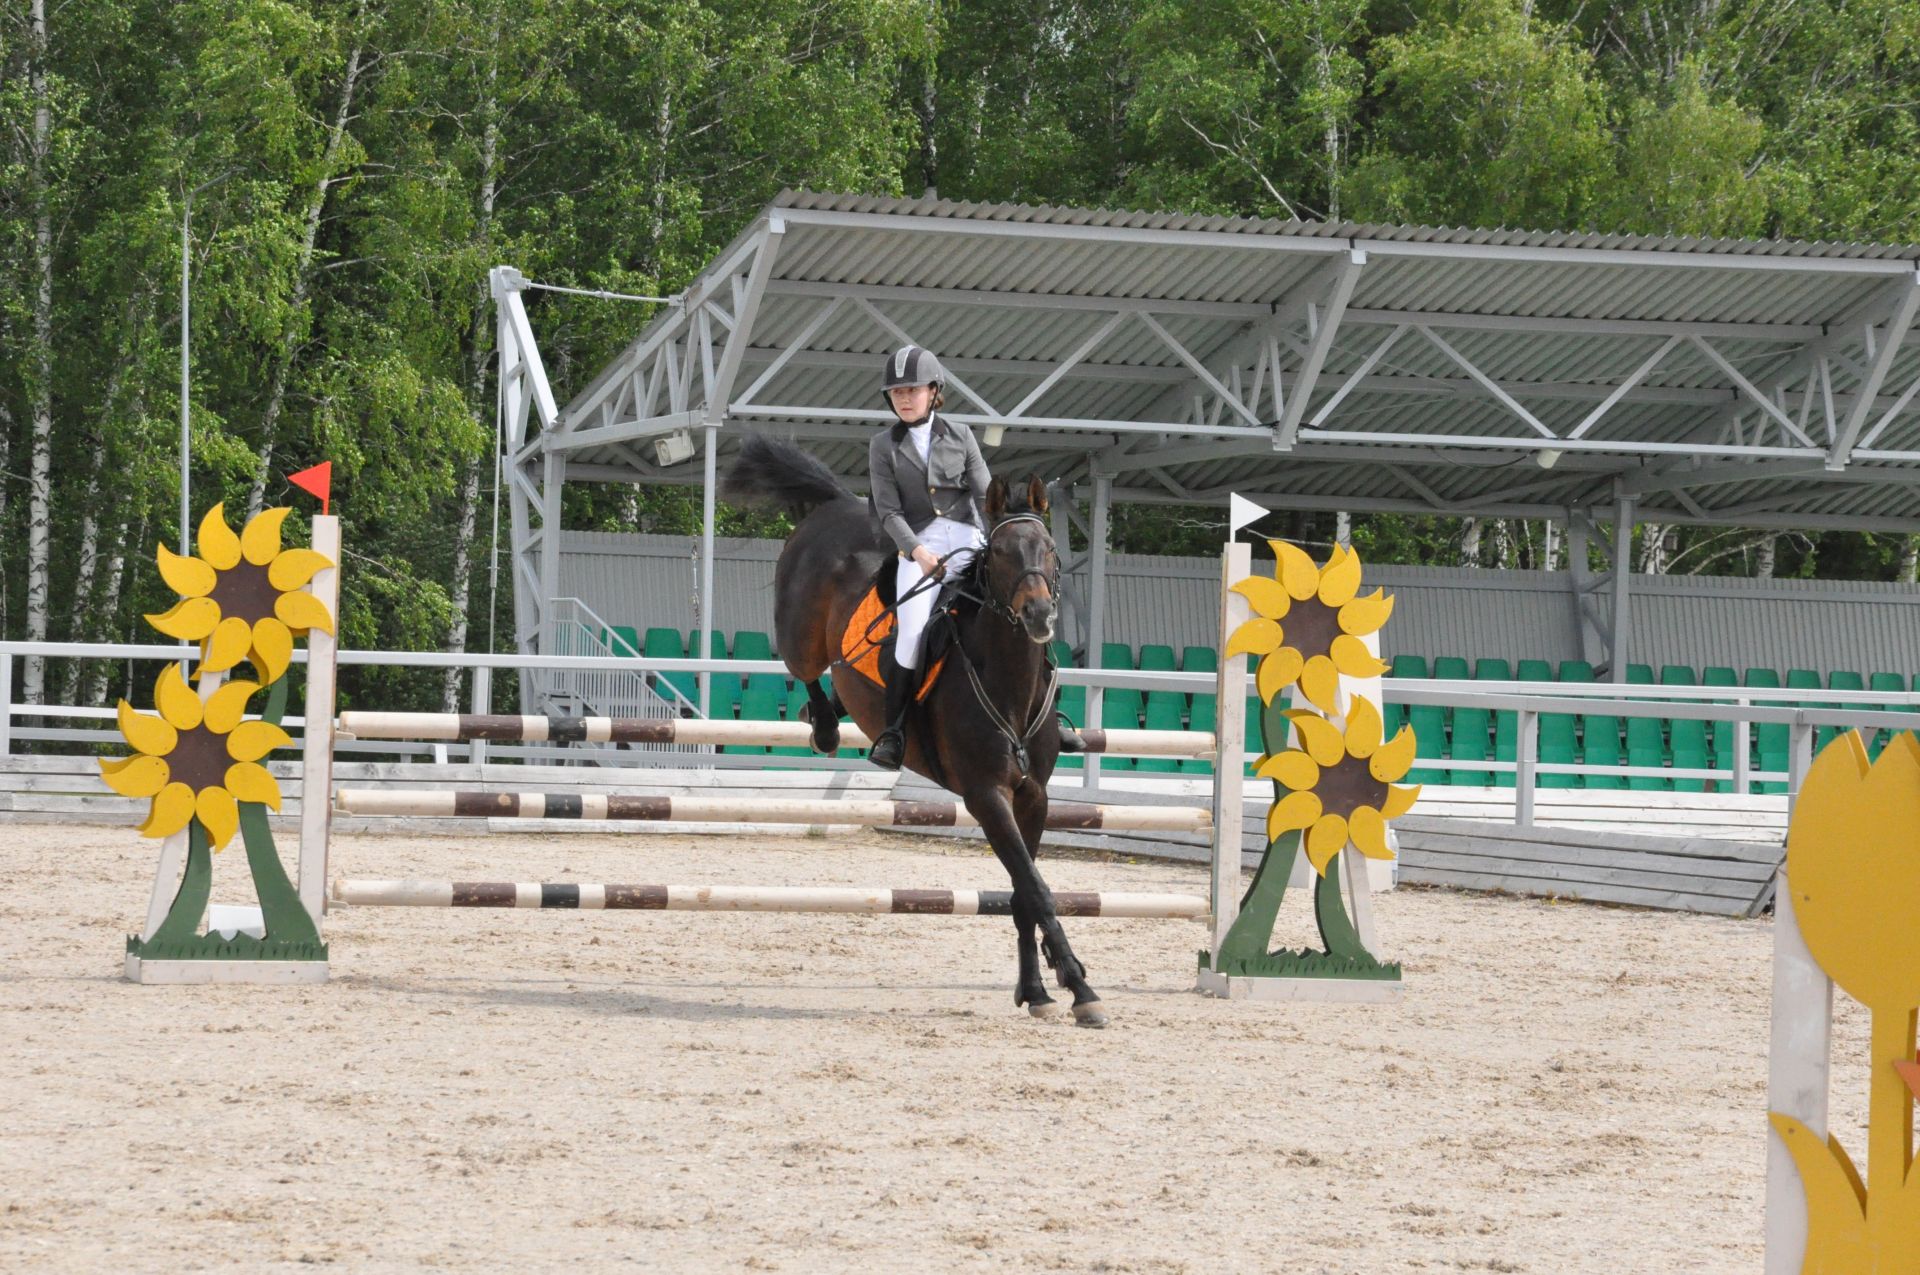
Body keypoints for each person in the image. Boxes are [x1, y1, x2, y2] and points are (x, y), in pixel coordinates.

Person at [865, 346, 989, 770]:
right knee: (913, 630)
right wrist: (918, 553)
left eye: (912, 389)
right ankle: (894, 731)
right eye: (896, 391)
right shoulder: (883, 445)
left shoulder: (962, 435)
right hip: (918, 544)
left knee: (1019, 605)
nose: (903, 397)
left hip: (970, 540)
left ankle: (1050, 711)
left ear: (935, 391)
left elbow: (985, 495)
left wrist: (997, 544)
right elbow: (888, 511)